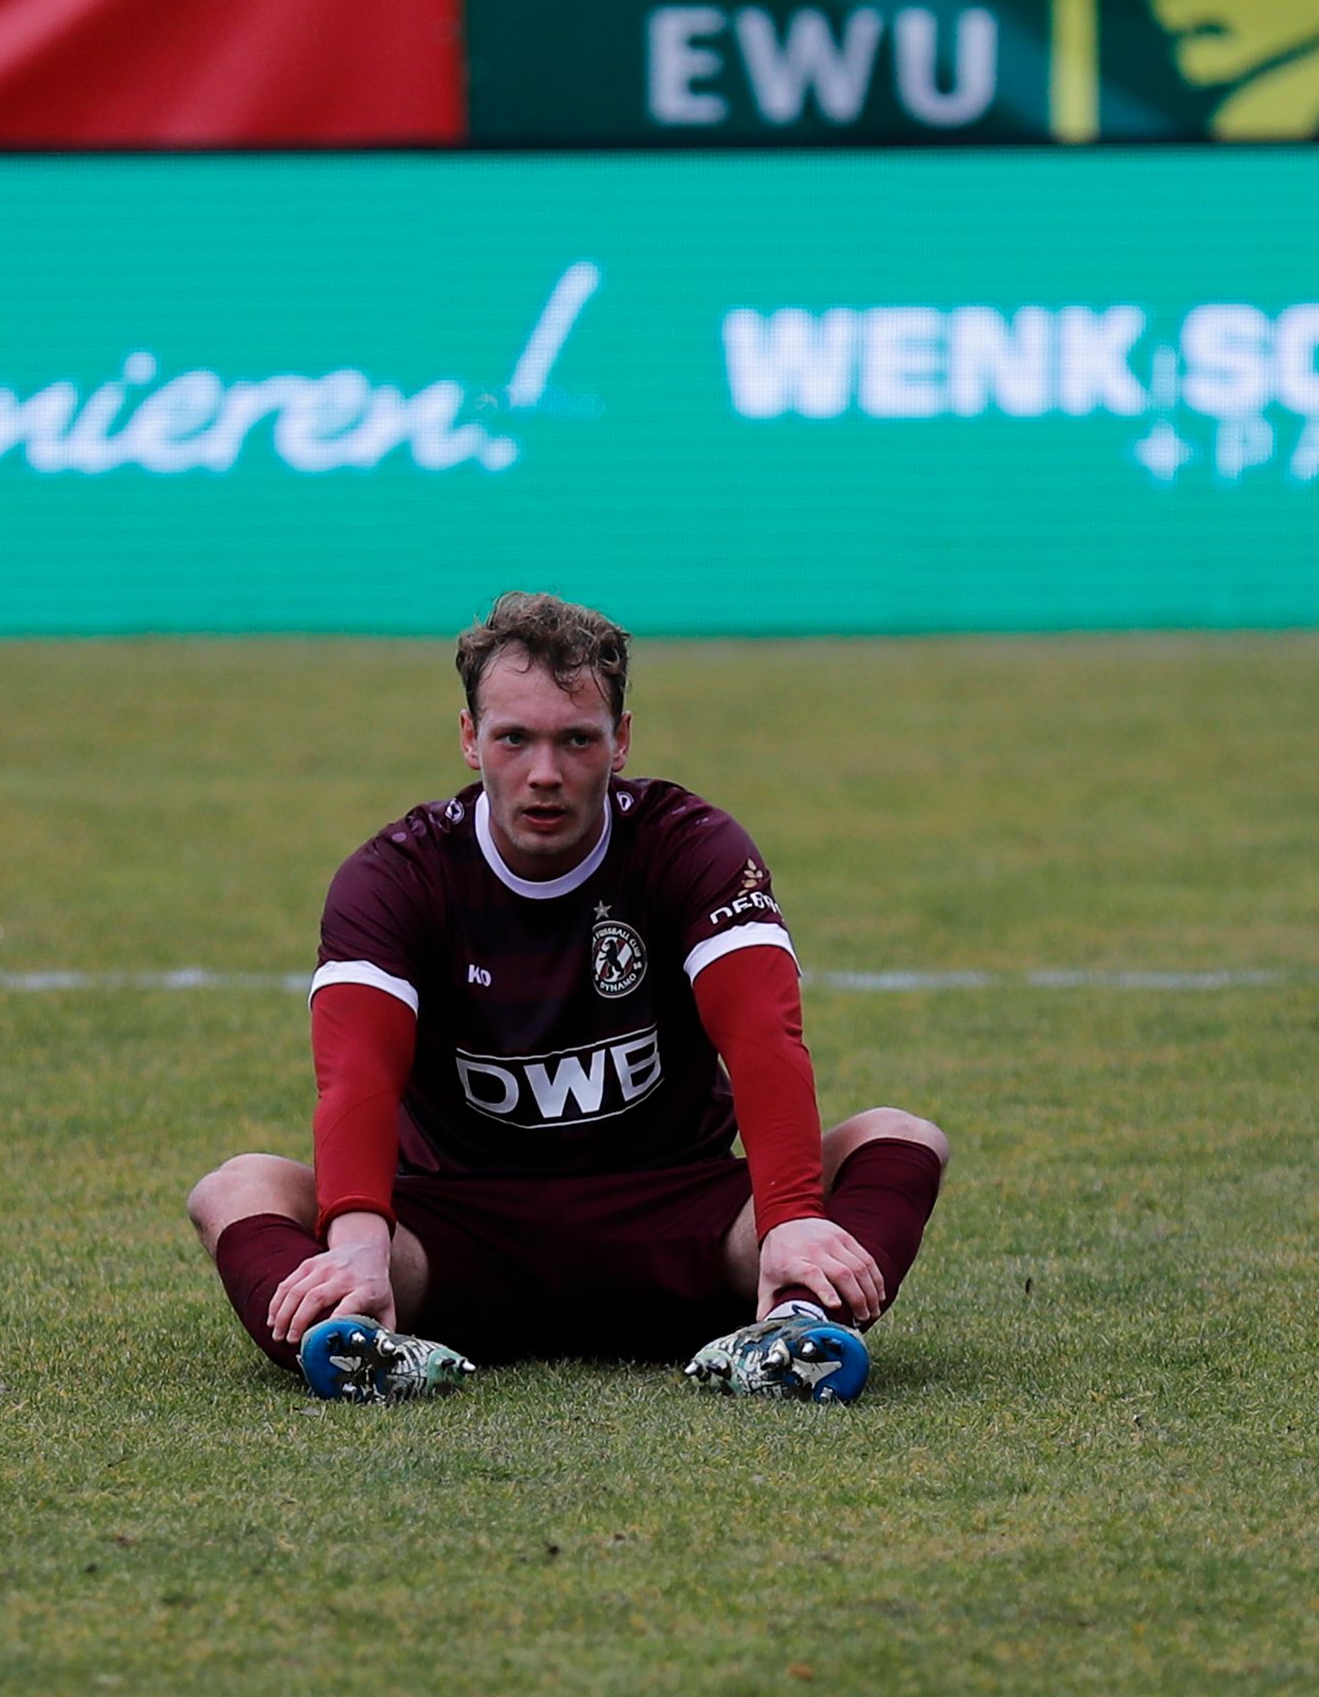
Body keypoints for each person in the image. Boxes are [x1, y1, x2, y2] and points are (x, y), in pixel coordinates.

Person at [187, 592, 950, 1404]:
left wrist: (793, 1219)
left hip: (679, 1216)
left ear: (620, 742)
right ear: (469, 738)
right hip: (455, 1237)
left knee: (901, 1138)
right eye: (514, 737)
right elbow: (356, 1078)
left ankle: (789, 1329)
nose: (544, 773)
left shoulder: (691, 845)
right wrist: (360, 1244)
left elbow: (764, 1034)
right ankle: (364, 1339)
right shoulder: (395, 876)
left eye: (576, 740)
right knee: (235, 1189)